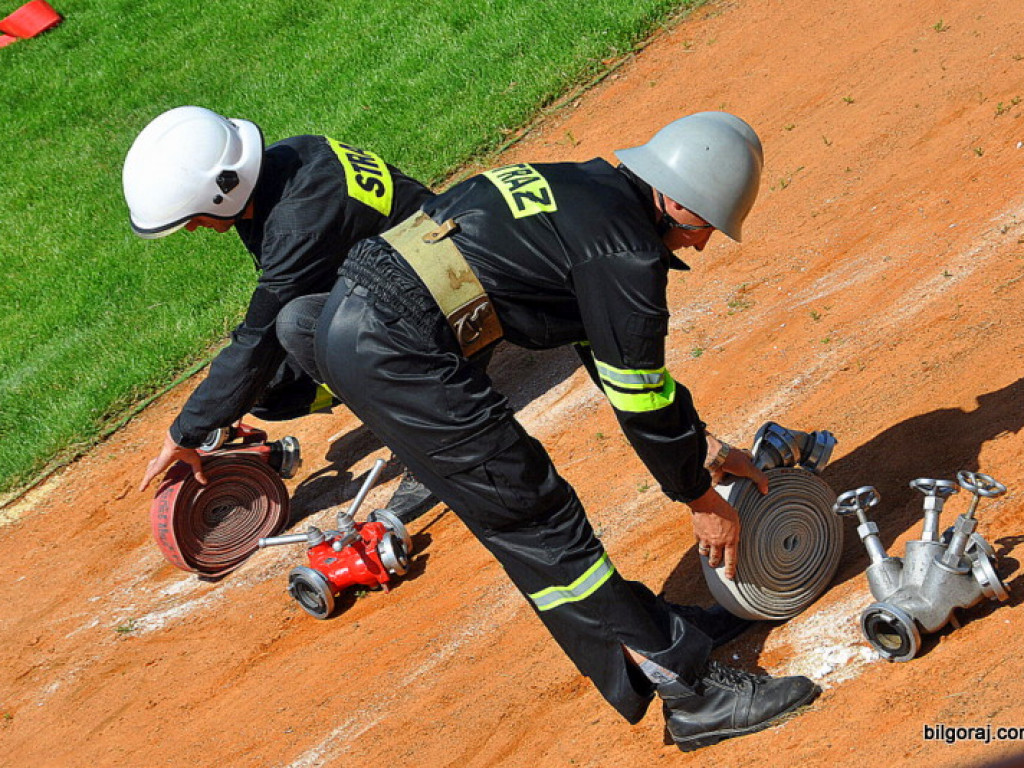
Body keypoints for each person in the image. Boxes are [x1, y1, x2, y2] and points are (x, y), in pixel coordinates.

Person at [278, 111, 821, 751]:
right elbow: (640, 396)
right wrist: (700, 498)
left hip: (365, 320)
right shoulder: (625, 251)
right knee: (532, 513)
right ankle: (691, 691)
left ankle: (648, 624)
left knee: (530, 507)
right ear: (672, 198)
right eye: (704, 225)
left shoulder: (588, 193)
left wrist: (700, 446)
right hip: (394, 350)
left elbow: (608, 354)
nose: (701, 245)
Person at [124, 105, 438, 521]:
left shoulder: (298, 223)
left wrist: (187, 430)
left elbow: (260, 333)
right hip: (408, 273)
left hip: (443, 296)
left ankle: (432, 438)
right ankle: (377, 385)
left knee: (297, 324)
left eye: (194, 215)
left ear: (223, 188)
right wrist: (222, 408)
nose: (194, 228)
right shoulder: (291, 159)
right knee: (265, 388)